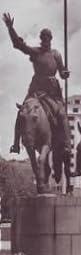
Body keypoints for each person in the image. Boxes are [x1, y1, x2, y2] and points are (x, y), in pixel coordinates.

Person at [2, 12, 71, 154]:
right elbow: (18, 45)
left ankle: (66, 144)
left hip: (52, 92)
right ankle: (16, 144)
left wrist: (65, 74)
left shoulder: (56, 54)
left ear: (50, 39)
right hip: (36, 90)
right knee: (22, 112)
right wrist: (10, 28)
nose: (45, 40)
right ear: (41, 39)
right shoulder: (35, 52)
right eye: (42, 37)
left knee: (62, 115)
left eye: (47, 37)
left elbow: (62, 71)